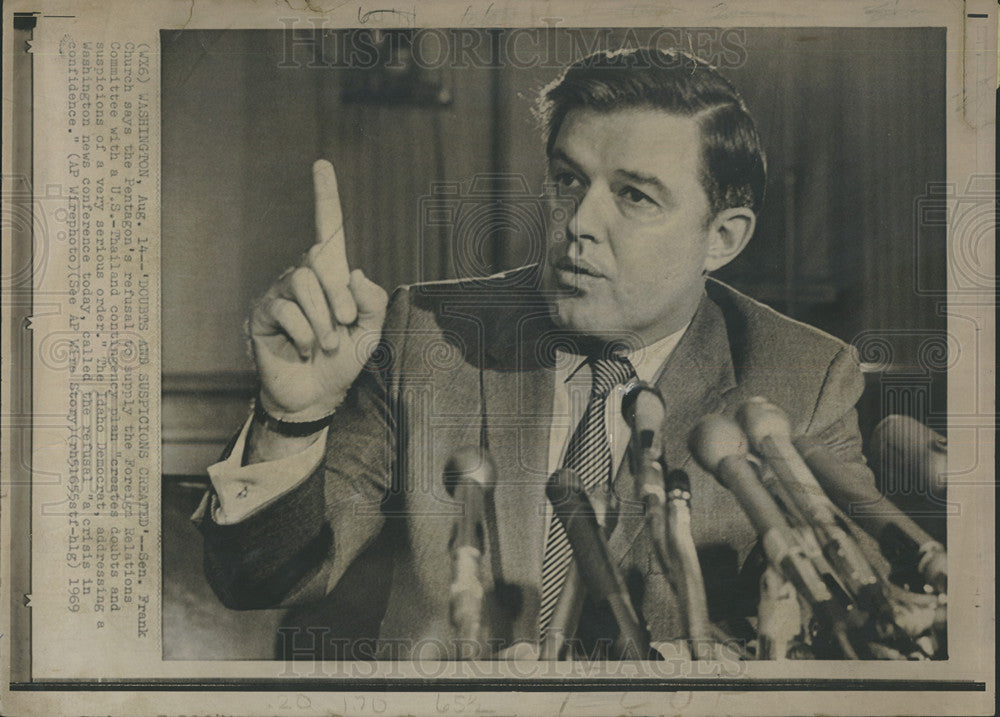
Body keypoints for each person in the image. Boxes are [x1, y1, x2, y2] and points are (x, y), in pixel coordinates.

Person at [194, 47, 875, 660]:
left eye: (634, 195)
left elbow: (849, 616)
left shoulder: (803, 376)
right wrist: (293, 417)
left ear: (722, 237)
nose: (578, 224)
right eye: (568, 181)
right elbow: (260, 579)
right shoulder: (428, 334)